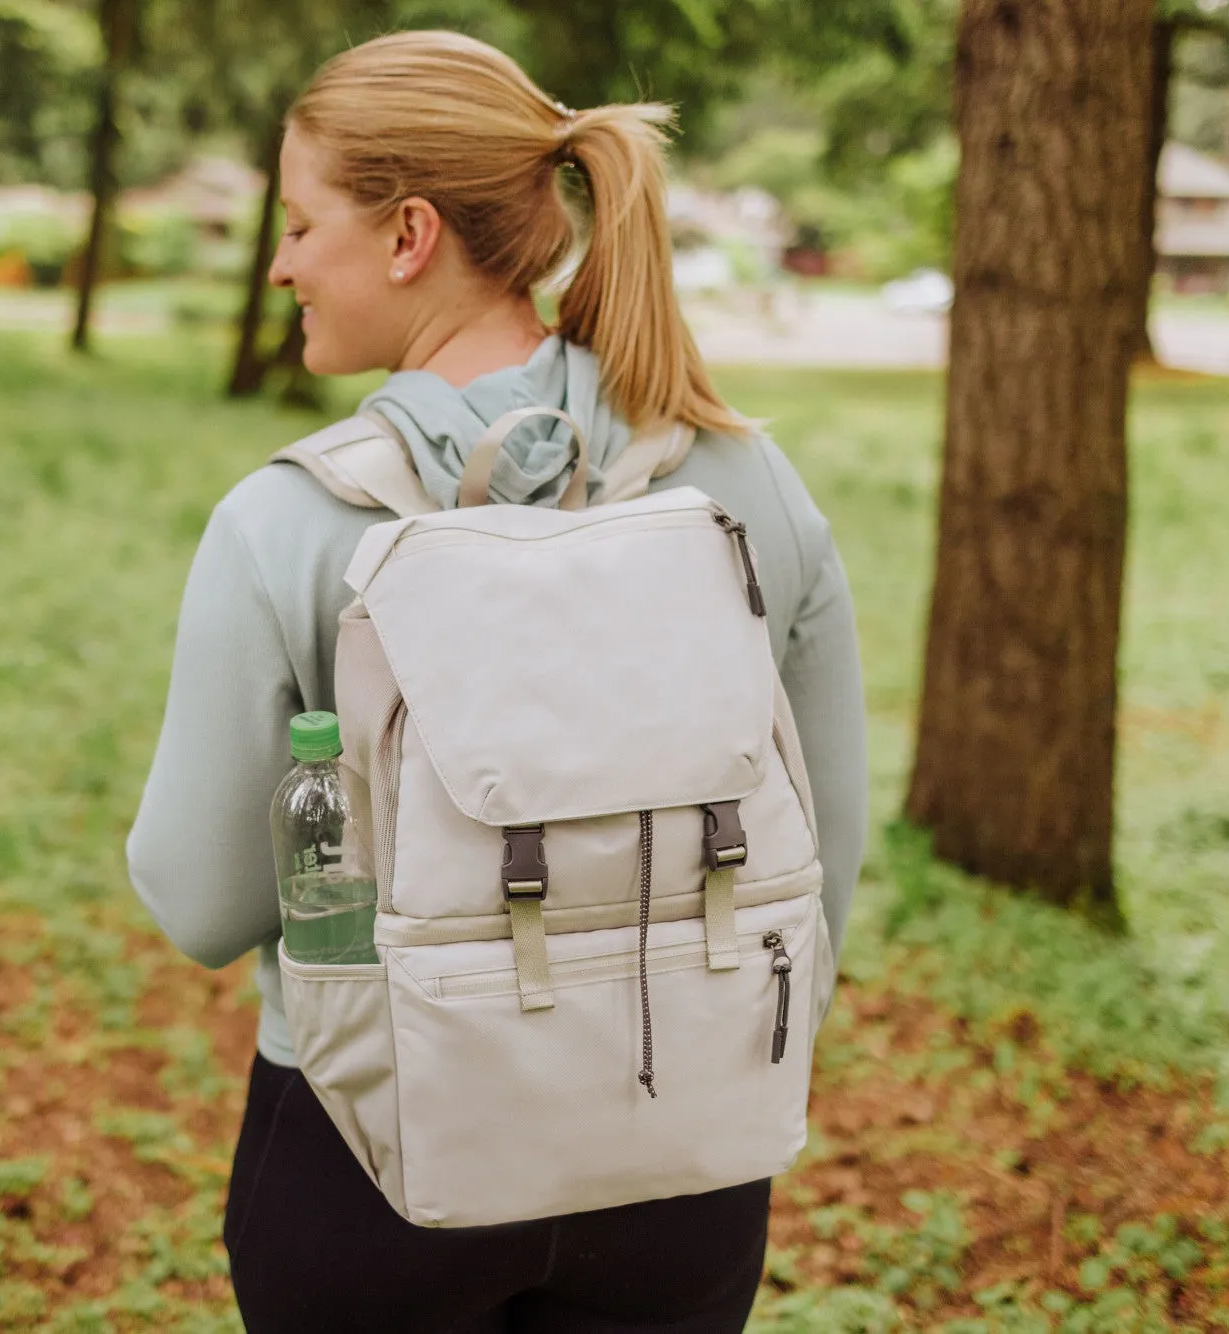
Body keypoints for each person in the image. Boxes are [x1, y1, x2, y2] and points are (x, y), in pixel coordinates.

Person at [128, 30, 867, 1333]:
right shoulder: (749, 481)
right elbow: (825, 842)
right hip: (684, 1152)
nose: (283, 260)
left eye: (301, 223)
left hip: (377, 1149)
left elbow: (200, 900)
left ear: (409, 233)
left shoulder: (288, 522)